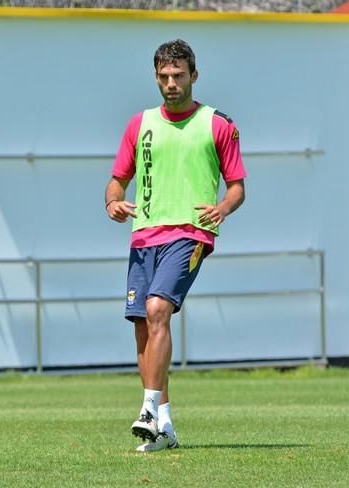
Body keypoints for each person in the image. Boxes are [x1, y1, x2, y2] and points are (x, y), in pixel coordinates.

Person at [104, 39, 246, 452]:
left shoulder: (217, 124)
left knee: (157, 308)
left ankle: (147, 409)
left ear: (193, 76)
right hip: (144, 234)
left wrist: (222, 208)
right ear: (156, 77)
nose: (171, 83)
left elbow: (237, 187)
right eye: (164, 76)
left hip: (190, 232)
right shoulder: (139, 124)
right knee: (144, 331)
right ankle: (163, 424)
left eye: (178, 75)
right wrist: (112, 201)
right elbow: (117, 179)